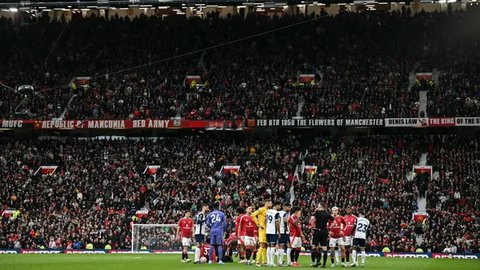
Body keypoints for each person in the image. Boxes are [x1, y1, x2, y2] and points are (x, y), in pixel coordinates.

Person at [312, 203, 334, 268]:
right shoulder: (327, 213)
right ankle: (324, 264)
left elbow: (312, 218)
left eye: (318, 206)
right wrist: (329, 227)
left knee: (314, 247)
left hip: (317, 231)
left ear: (320, 206)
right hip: (325, 231)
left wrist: (313, 226)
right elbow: (334, 222)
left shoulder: (317, 212)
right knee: (324, 248)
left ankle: (316, 262)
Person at [252, 199, 272, 266]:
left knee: (265, 245)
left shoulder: (269, 211)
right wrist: (258, 224)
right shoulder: (261, 209)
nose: (271, 204)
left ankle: (264, 261)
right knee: (262, 245)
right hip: (262, 229)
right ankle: (257, 261)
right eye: (270, 203)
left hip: (268, 229)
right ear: (266, 203)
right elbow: (253, 215)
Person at [266, 201, 282, 267]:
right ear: (276, 205)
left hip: (267, 231)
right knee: (273, 247)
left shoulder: (268, 211)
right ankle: (272, 262)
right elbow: (277, 223)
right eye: (279, 206)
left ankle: (268, 262)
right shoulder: (276, 213)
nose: (280, 207)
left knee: (268, 247)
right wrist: (279, 232)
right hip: (273, 231)